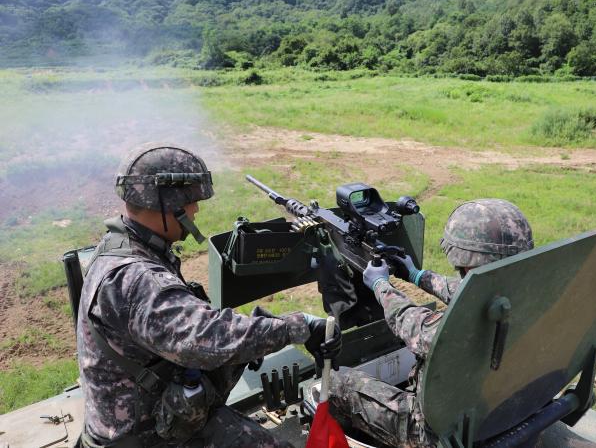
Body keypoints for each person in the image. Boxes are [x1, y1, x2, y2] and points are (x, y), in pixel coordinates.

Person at [76, 143, 341, 448]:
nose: (196, 210)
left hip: (150, 418)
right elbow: (208, 339)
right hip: (147, 437)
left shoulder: (121, 246)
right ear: (168, 202)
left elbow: (189, 325)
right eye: (191, 202)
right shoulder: (138, 279)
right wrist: (299, 325)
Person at [327, 199, 534, 448]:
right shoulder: (527, 296)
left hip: (437, 433)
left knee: (337, 383)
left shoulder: (455, 330)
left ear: (467, 260)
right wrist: (417, 275)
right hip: (507, 410)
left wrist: (381, 286)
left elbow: (411, 323)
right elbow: (466, 291)